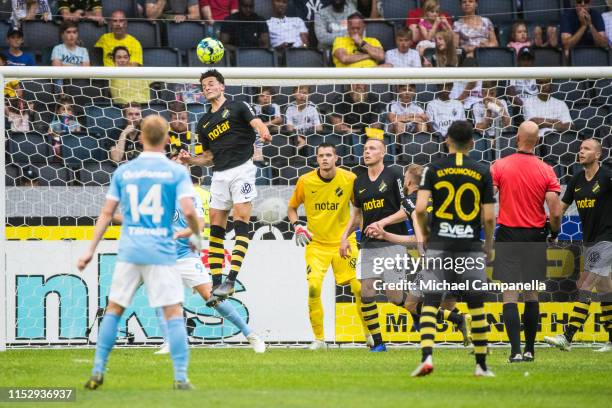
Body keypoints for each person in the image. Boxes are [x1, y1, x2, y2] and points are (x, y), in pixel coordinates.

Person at [78, 115, 203, 390]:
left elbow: (107, 213)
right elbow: (190, 211)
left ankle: (98, 370)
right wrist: (197, 235)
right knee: (173, 312)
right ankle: (181, 378)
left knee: (114, 309)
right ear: (168, 138)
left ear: (141, 138)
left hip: (131, 248)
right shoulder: (176, 172)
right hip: (161, 249)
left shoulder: (124, 171)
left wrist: (89, 250)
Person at [111, 158, 266, 355]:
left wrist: (175, 234)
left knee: (211, 297)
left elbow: (199, 225)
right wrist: (112, 215)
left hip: (185, 255)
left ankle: (250, 335)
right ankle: (170, 342)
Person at [177, 69, 271, 304]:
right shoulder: (204, 123)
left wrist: (262, 130)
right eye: (203, 85)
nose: (206, 87)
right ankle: (217, 283)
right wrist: (191, 160)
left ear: (222, 86)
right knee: (216, 228)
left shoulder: (238, 106)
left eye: (211, 83)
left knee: (240, 219)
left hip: (242, 170)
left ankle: (231, 278)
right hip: (219, 175)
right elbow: (208, 156)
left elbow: (256, 122)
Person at [411, 120, 495, 377]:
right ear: (472, 143)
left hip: (439, 244)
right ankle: (481, 365)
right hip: (469, 246)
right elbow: (490, 217)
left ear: (446, 140)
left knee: (430, 302)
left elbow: (421, 209)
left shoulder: (433, 169)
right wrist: (488, 246)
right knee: (476, 305)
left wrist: (425, 234)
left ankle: (427, 357)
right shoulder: (482, 171)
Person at [287, 142, 373, 350]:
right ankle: (319, 340)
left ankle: (369, 334)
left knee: (359, 289)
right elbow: (291, 208)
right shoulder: (305, 181)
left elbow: (358, 209)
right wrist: (297, 225)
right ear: (316, 159)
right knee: (314, 288)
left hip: (344, 242)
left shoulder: (349, 179)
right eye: (320, 156)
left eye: (328, 155)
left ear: (336, 158)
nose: (324, 159)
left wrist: (361, 233)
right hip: (316, 245)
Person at [491, 120, 562, 363]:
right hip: (534, 236)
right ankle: (530, 350)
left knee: (509, 295)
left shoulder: (500, 165)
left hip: (508, 235)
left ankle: (514, 351)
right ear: (538, 141)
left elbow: (487, 201)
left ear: (516, 138)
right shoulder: (546, 170)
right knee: (531, 294)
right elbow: (554, 211)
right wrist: (553, 233)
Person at [339, 138, 409, 352]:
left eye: (372, 148)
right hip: (368, 245)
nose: (367, 152)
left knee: (394, 297)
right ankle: (378, 343)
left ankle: (449, 317)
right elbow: (357, 214)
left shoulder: (395, 174)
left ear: (383, 153)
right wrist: (344, 237)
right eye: (365, 148)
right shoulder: (358, 182)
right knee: (365, 290)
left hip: (392, 242)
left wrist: (383, 223)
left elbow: (407, 209)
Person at [544, 139, 612, 353]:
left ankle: (567, 336)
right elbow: (561, 209)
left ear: (598, 155)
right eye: (580, 148)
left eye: (587, 149)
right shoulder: (576, 179)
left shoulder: (608, 176)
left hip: (608, 238)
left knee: (586, 283)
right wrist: (551, 231)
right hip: (589, 241)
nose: (581, 151)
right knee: (604, 289)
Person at [285, 85, 323, 151]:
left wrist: (307, 141)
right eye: (299, 93)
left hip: (311, 140)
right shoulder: (289, 108)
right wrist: (301, 141)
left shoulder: (313, 108)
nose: (302, 96)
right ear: (294, 95)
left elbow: (319, 129)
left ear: (309, 95)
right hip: (295, 140)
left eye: (305, 93)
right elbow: (289, 129)